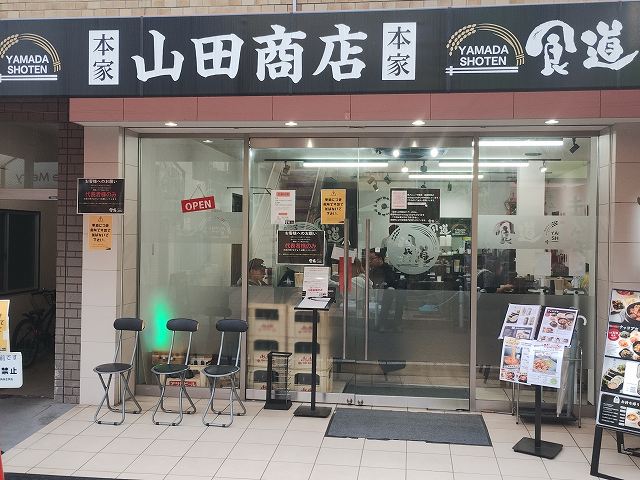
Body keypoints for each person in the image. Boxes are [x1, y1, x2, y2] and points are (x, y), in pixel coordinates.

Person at [369, 248, 406, 332]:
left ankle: (394, 324)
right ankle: (384, 324)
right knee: (389, 293)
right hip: (378, 293)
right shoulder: (372, 270)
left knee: (398, 294)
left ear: (379, 259)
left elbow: (391, 281)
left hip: (388, 292)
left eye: (372, 259)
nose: (370, 261)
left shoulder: (387, 269)